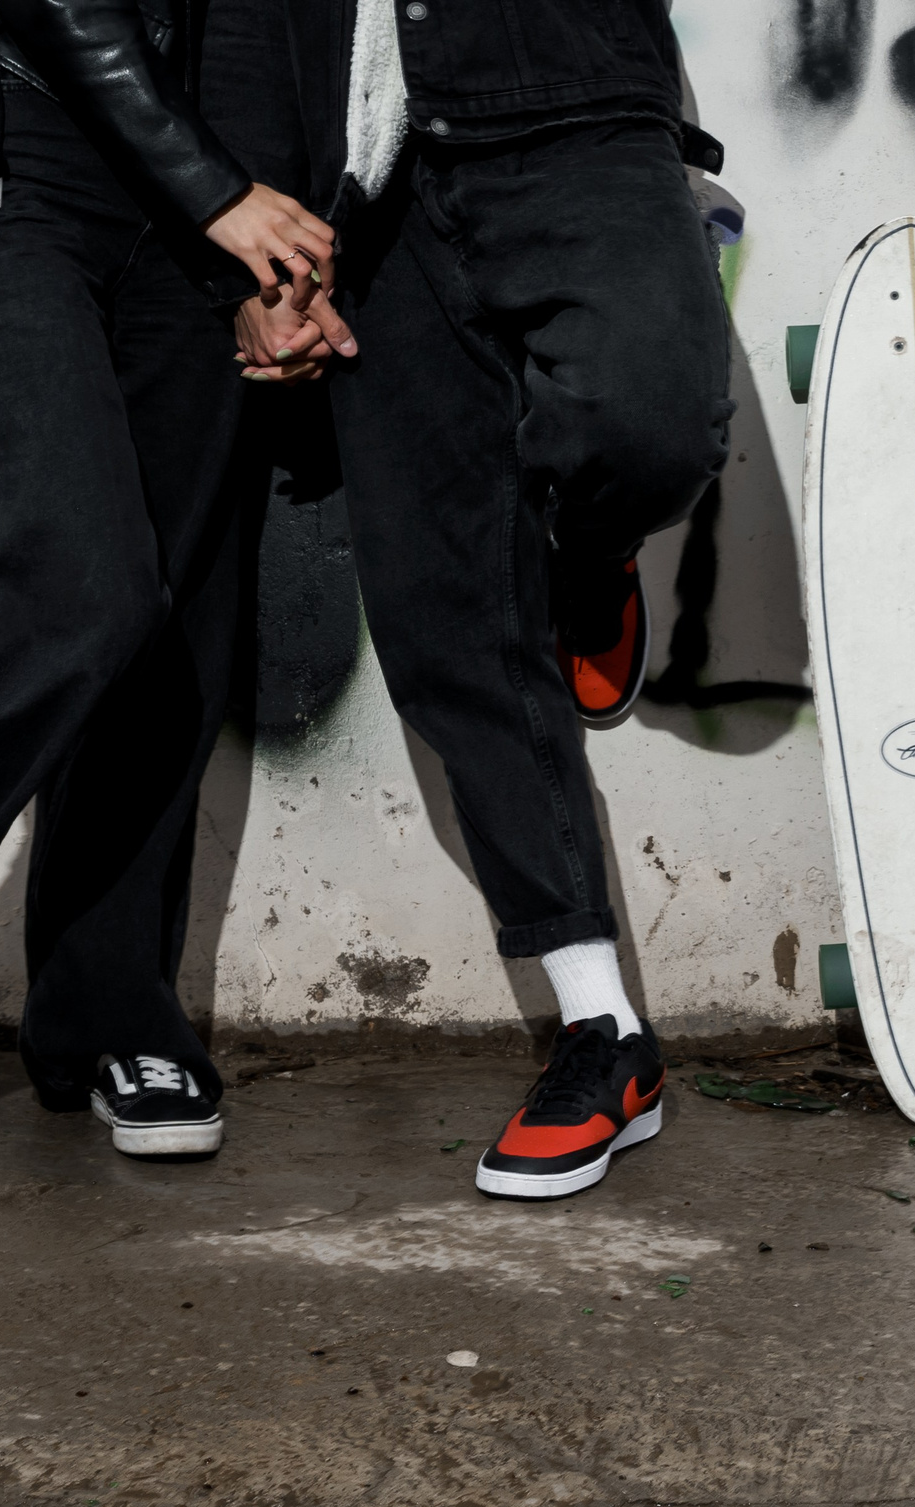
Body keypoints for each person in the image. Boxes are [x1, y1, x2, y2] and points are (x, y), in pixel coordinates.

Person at [0, 0, 351, 1158]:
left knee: (175, 625)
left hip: (209, 206)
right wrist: (220, 193)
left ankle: (107, 1011)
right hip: (19, 156)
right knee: (69, 597)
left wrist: (273, 257)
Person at [203, 0, 733, 1198]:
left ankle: (589, 556)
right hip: (358, 199)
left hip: (570, 104)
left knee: (649, 425)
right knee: (442, 605)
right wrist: (257, 245)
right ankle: (603, 1030)